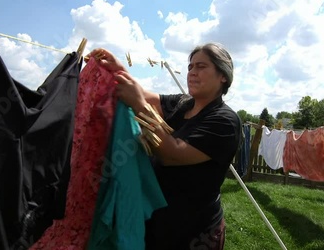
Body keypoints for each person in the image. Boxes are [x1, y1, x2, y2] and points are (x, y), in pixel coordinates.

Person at [88, 42, 241, 250]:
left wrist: (139, 106)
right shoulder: (183, 104)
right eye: (190, 67)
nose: (192, 73)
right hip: (159, 222)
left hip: (193, 231)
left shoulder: (224, 121)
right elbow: (144, 96)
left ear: (223, 75)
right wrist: (118, 68)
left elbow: (172, 153)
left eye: (201, 67)